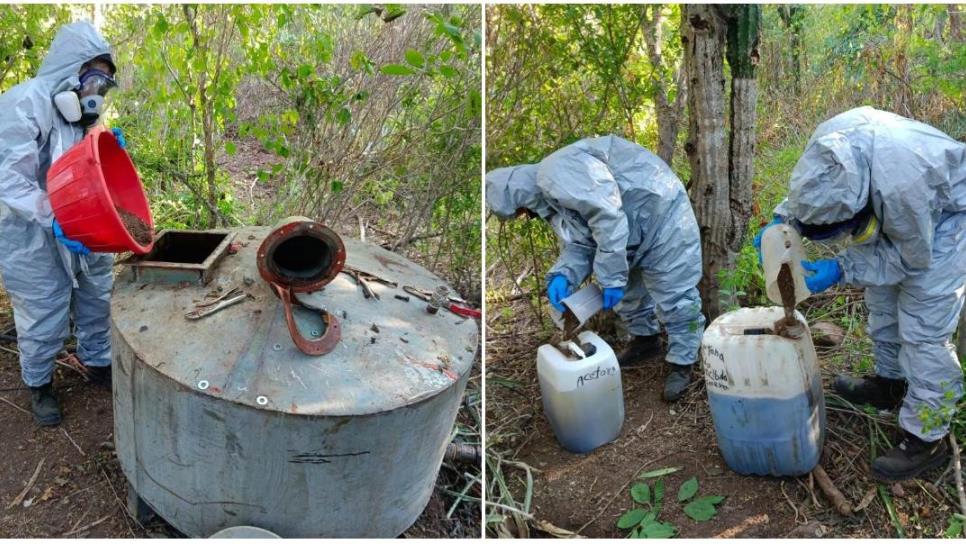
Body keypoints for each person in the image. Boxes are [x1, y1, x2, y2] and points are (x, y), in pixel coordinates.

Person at [756, 106, 965, 481]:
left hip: (947, 221)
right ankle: (891, 384)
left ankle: (927, 434)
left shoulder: (902, 186)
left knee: (923, 330)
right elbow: (815, 183)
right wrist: (783, 219)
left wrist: (843, 268)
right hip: (891, 204)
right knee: (883, 304)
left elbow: (910, 258)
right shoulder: (830, 142)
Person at [486, 135, 705, 401]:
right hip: (631, 232)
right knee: (630, 295)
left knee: (676, 293)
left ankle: (683, 363)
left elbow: (608, 217)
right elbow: (583, 242)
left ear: (518, 194)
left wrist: (611, 277)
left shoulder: (556, 171)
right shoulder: (553, 202)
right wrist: (563, 275)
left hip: (662, 217)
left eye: (519, 211)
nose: (525, 216)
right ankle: (646, 342)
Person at [0, 22, 121, 426]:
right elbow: (7, 179)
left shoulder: (80, 120)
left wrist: (104, 150)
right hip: (29, 233)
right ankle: (39, 384)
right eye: (93, 80)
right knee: (42, 307)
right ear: (72, 70)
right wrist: (52, 216)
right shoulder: (25, 102)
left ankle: (98, 362)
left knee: (95, 292)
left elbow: (88, 175)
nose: (95, 95)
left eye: (104, 87)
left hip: (80, 225)